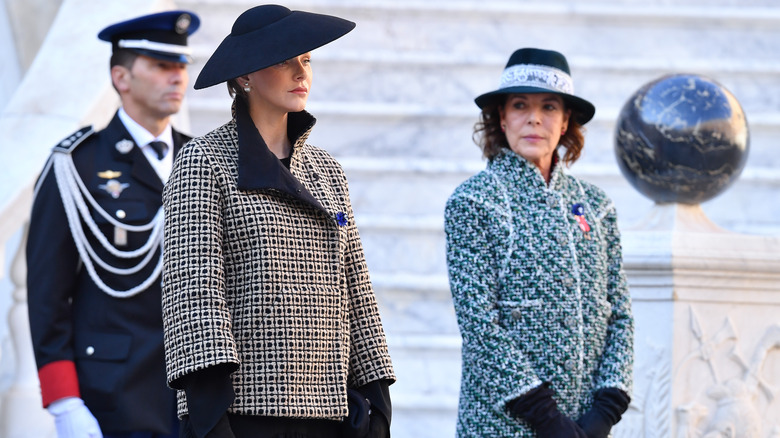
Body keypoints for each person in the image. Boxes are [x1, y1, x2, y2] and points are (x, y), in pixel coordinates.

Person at [160, 5, 396, 438]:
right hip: (246, 413)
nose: (300, 72)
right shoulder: (203, 161)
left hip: (332, 414)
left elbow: (356, 288)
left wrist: (377, 402)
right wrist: (212, 418)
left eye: (305, 60)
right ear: (244, 76)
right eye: (284, 60)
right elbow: (194, 293)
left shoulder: (328, 171)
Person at [26, 10, 200, 438]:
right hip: (113, 394)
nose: (177, 77)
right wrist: (65, 402)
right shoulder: (77, 164)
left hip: (195, 391)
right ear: (122, 78)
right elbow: (47, 294)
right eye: (161, 66)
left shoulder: (205, 159)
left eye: (180, 66)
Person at [444, 48, 634, 438]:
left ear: (565, 122)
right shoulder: (474, 201)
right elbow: (479, 324)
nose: (534, 118)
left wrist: (606, 410)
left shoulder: (596, 207)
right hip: (502, 425)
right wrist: (545, 418)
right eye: (519, 105)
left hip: (586, 427)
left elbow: (621, 313)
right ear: (501, 117)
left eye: (549, 106)